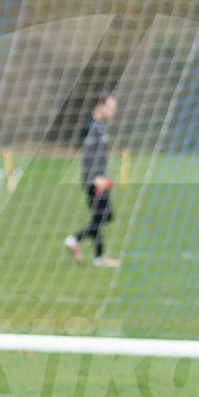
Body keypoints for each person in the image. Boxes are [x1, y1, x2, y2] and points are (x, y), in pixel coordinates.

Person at [64, 94, 120, 268]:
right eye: (111, 107)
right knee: (105, 215)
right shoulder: (90, 126)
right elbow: (87, 156)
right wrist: (95, 178)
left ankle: (99, 258)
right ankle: (74, 240)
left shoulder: (100, 127)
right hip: (95, 181)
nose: (113, 111)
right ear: (100, 106)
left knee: (99, 217)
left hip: (101, 179)